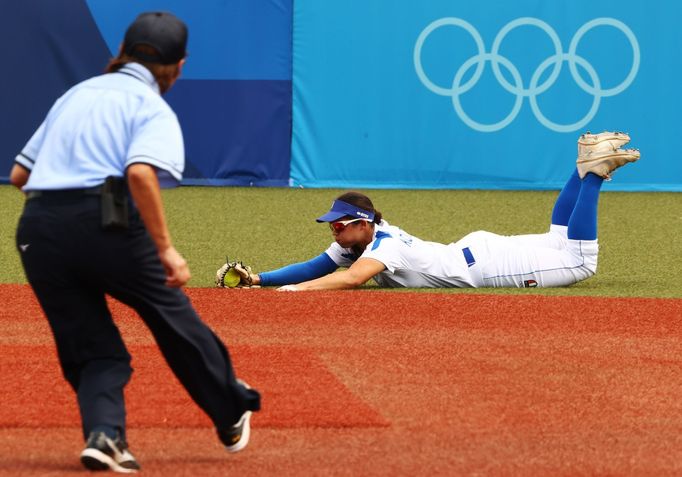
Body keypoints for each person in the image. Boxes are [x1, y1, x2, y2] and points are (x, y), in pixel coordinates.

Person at [10, 12, 260, 473]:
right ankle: (229, 407)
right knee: (172, 317)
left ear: (121, 52)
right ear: (178, 66)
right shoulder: (150, 106)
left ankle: (106, 435)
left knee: (93, 347)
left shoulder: (75, 94)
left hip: (39, 229)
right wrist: (165, 248)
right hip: (105, 221)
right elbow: (141, 172)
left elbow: (21, 174)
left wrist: (60, 216)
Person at [228, 132, 640, 291]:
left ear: (363, 223)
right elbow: (313, 267)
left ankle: (592, 174)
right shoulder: (365, 241)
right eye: (332, 225)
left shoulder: (383, 247)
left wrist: (291, 295)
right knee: (557, 239)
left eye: (339, 224)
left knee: (580, 260)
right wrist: (260, 279)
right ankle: (583, 167)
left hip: (487, 268)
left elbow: (351, 280)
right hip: (476, 251)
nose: (333, 230)